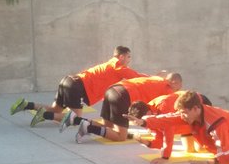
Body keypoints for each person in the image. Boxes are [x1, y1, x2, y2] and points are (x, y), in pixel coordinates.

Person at [10, 47, 143, 127]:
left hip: (68, 81)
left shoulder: (110, 64)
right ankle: (44, 115)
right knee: (75, 118)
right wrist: (157, 78)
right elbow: (138, 77)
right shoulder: (118, 67)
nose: (129, 60)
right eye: (128, 57)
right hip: (76, 87)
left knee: (56, 108)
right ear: (121, 56)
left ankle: (26, 105)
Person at [74, 74, 182, 143]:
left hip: (113, 89)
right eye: (178, 87)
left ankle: (81, 121)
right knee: (121, 136)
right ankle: (88, 128)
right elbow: (162, 114)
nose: (177, 90)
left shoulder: (157, 79)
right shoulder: (168, 90)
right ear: (174, 82)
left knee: (108, 127)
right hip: (123, 95)